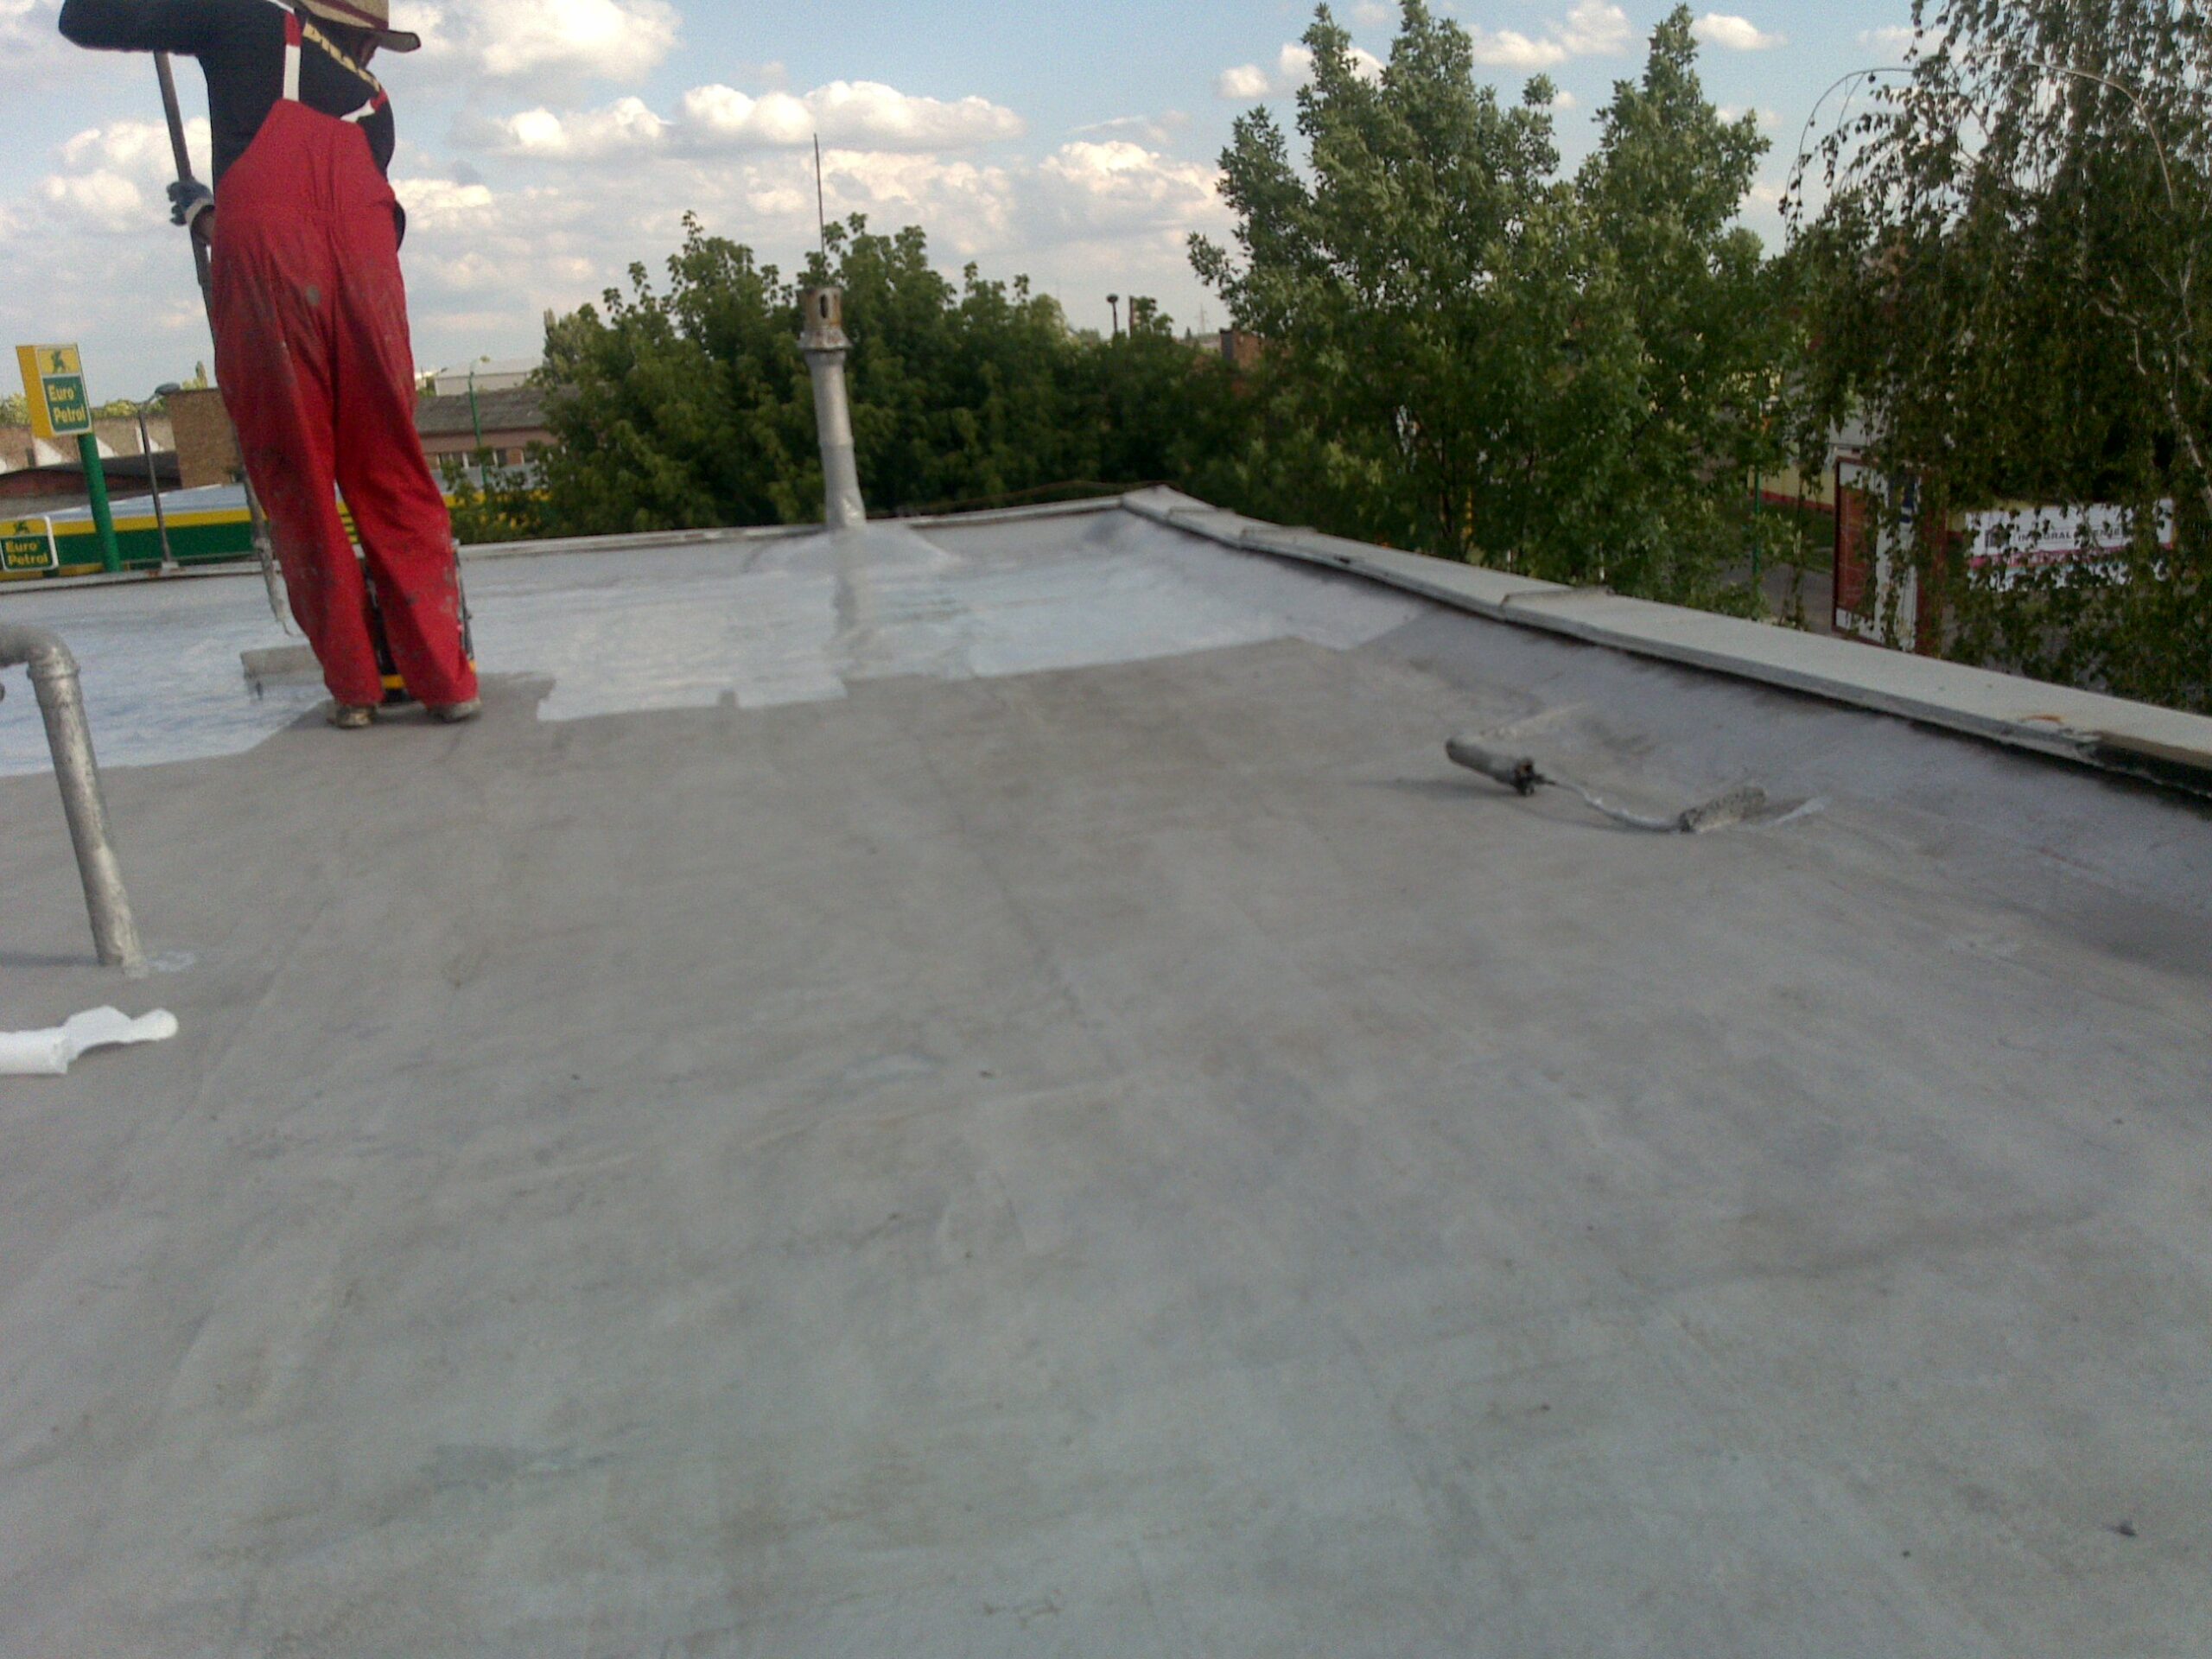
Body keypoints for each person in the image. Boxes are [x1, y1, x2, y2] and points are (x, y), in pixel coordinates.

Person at [58, 0, 480, 728]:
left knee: (299, 477)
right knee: (392, 472)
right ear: (361, 36)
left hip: (271, 280)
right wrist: (213, 219)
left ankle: (356, 689)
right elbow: (327, 227)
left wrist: (206, 217)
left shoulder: (245, 20)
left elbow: (85, 18)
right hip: (370, 282)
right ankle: (448, 681)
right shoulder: (378, 109)